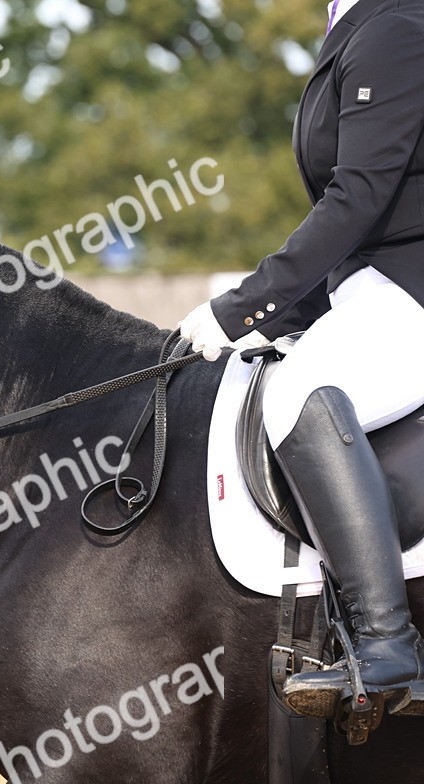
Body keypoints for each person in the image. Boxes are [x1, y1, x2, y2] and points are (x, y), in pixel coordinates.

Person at [179, 0, 424, 721]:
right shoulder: (360, 23)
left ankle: (388, 643)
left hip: (413, 290)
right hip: (375, 288)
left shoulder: (398, 25)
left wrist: (244, 305)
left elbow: (360, 196)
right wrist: (278, 318)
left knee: (299, 392)